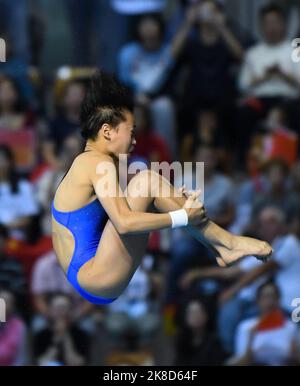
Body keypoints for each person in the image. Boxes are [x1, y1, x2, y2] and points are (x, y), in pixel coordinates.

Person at [51, 71, 272, 305]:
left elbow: (128, 209)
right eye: (131, 132)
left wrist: (171, 200)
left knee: (149, 185)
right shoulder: (96, 163)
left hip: (90, 275)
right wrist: (181, 216)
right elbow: (125, 223)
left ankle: (223, 245)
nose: (135, 141)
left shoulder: (90, 162)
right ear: (107, 131)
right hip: (96, 275)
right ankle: (227, 242)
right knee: (146, 180)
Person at [228, 281, 300, 366]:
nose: (270, 302)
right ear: (257, 301)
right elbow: (240, 363)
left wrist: (294, 355)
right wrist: (250, 341)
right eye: (265, 297)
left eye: (274, 297)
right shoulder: (245, 327)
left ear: (279, 300)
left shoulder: (291, 327)